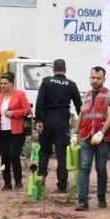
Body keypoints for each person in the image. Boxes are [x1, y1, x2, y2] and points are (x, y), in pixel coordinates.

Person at [34, 59, 82, 193]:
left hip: (47, 121)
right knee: (62, 155)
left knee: (44, 151)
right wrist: (83, 122)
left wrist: (38, 120)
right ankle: (62, 185)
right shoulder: (71, 84)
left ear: (54, 69)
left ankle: (40, 182)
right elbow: (79, 105)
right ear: (65, 69)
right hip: (62, 123)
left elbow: (39, 102)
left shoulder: (46, 82)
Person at [76, 66, 110, 211]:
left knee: (100, 168)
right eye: (93, 77)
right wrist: (75, 133)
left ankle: (101, 197)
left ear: (104, 79)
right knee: (84, 167)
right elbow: (81, 115)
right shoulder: (86, 95)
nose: (95, 80)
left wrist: (102, 132)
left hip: (103, 138)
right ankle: (82, 201)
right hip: (86, 135)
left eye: (98, 78)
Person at [0, 71, 32, 190]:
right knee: (4, 157)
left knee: (14, 156)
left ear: (11, 84)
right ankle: (7, 183)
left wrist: (13, 113)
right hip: (2, 131)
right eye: (1, 83)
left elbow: (27, 110)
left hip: (16, 131)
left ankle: (18, 181)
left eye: (5, 83)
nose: (2, 86)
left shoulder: (19, 94)